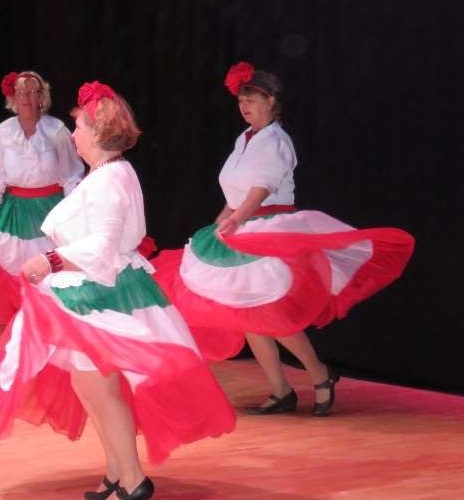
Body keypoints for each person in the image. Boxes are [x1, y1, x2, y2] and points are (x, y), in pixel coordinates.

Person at [0, 82, 236, 500]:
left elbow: (102, 248)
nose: (73, 134)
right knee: (88, 384)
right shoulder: (105, 175)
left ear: (99, 133)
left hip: (103, 290)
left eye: (79, 127)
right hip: (96, 288)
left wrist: (50, 260)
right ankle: (118, 470)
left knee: (101, 388)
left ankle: (133, 479)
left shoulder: (111, 179)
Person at [154, 62, 415, 416]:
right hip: (243, 228)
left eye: (251, 99)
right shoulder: (244, 139)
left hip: (269, 230)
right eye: (241, 100)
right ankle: (281, 390)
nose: (244, 106)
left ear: (272, 101)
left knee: (271, 315)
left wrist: (236, 219)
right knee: (247, 315)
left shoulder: (277, 141)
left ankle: (320, 374)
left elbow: (260, 189)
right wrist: (221, 221)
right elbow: (236, 192)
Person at [0, 71, 83, 324]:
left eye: (34, 92)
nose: (28, 97)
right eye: (22, 92)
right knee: (5, 260)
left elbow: (71, 175)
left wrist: (76, 209)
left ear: (42, 97)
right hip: (13, 212)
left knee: (49, 264)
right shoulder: (3, 134)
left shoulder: (57, 130)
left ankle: (49, 319)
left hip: (49, 210)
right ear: (13, 98)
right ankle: (18, 322)